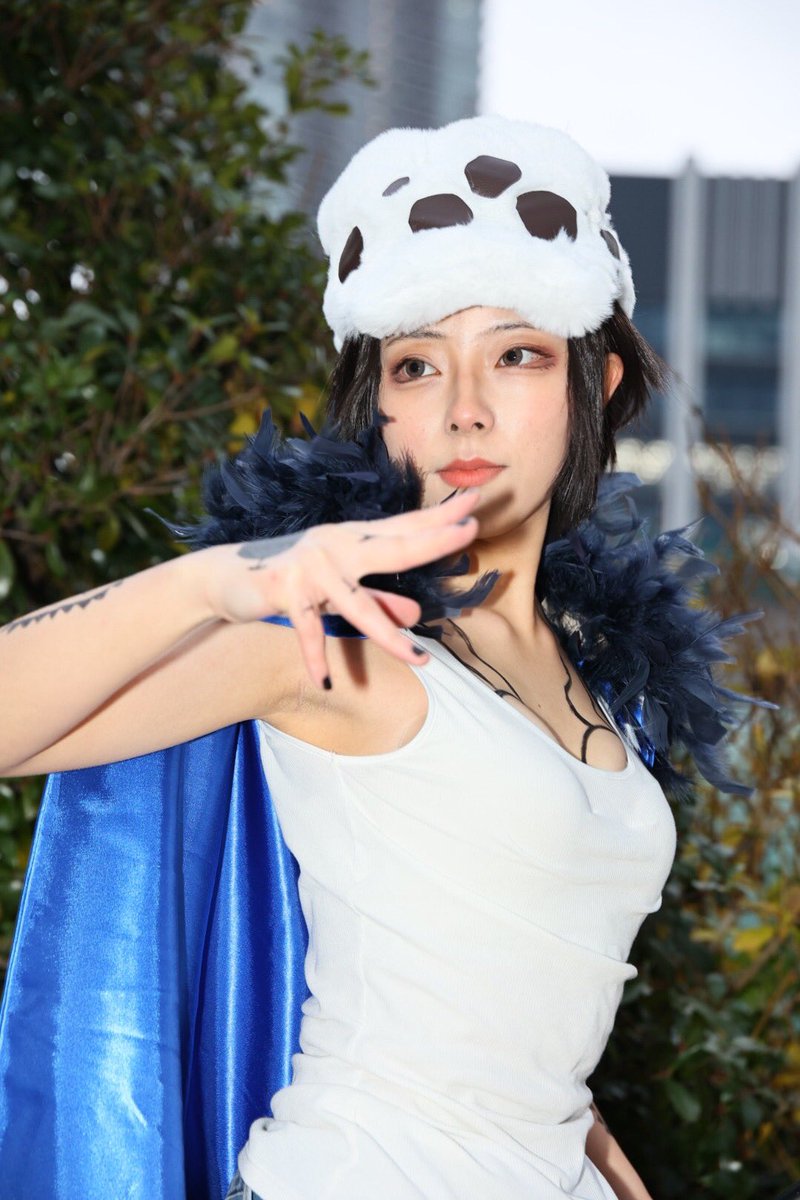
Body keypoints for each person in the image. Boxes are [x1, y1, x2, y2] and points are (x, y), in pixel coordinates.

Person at [0, 117, 761, 1200]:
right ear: (381, 402)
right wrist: (214, 583)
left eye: (516, 354)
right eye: (416, 364)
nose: (464, 410)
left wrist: (599, 1159)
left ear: (591, 384)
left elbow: (513, 1014)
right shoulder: (346, 648)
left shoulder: (593, 667)